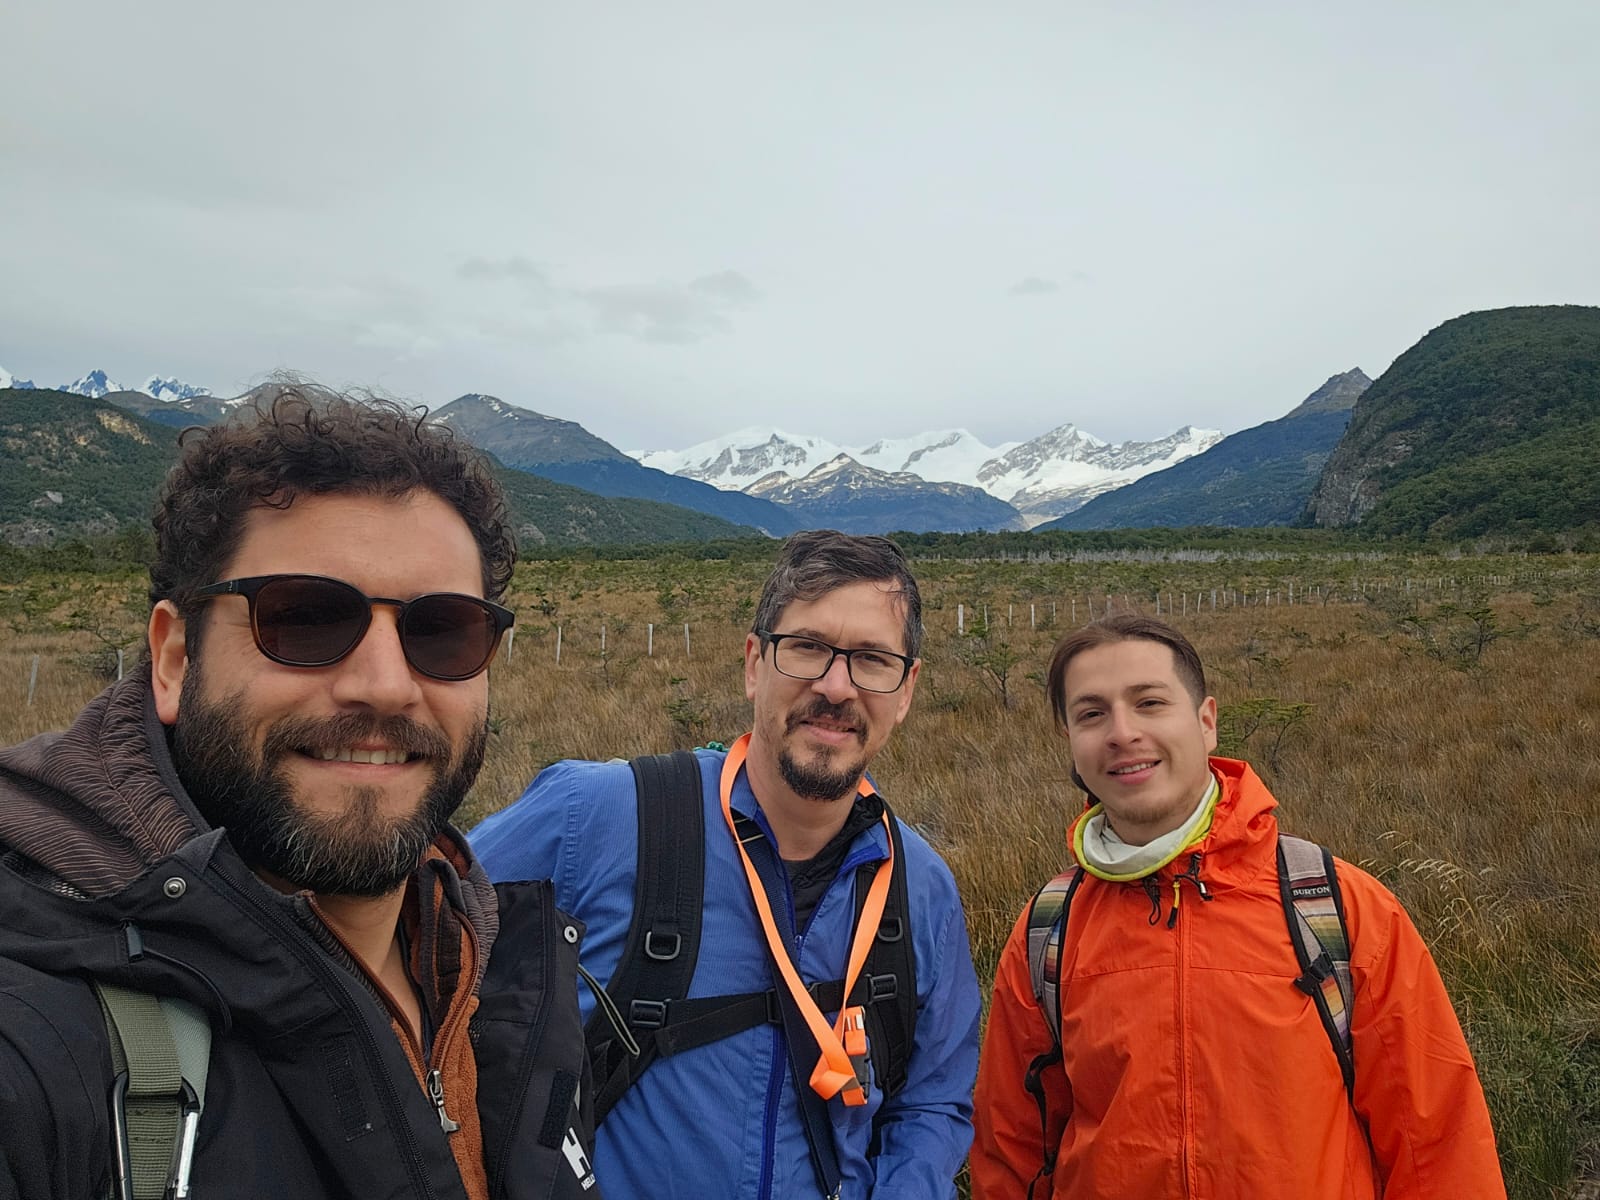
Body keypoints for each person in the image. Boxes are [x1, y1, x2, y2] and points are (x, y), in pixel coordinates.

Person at [0, 385, 599, 1200]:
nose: (386, 686)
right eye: (305, 619)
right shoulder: (38, 1027)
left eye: (441, 631)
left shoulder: (494, 967)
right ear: (175, 658)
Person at [471, 529, 981, 1199]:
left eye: (872, 659)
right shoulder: (594, 818)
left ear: (906, 689)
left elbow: (933, 1104)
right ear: (753, 664)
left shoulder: (922, 890)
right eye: (806, 648)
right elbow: (401, 934)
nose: (836, 686)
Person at [970, 614, 1505, 1199]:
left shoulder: (1338, 909)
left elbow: (1436, 1146)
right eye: (1092, 714)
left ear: (1206, 722)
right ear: (1071, 742)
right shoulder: (1050, 928)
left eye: (1150, 703)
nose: (1122, 732)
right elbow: (1011, 1151)